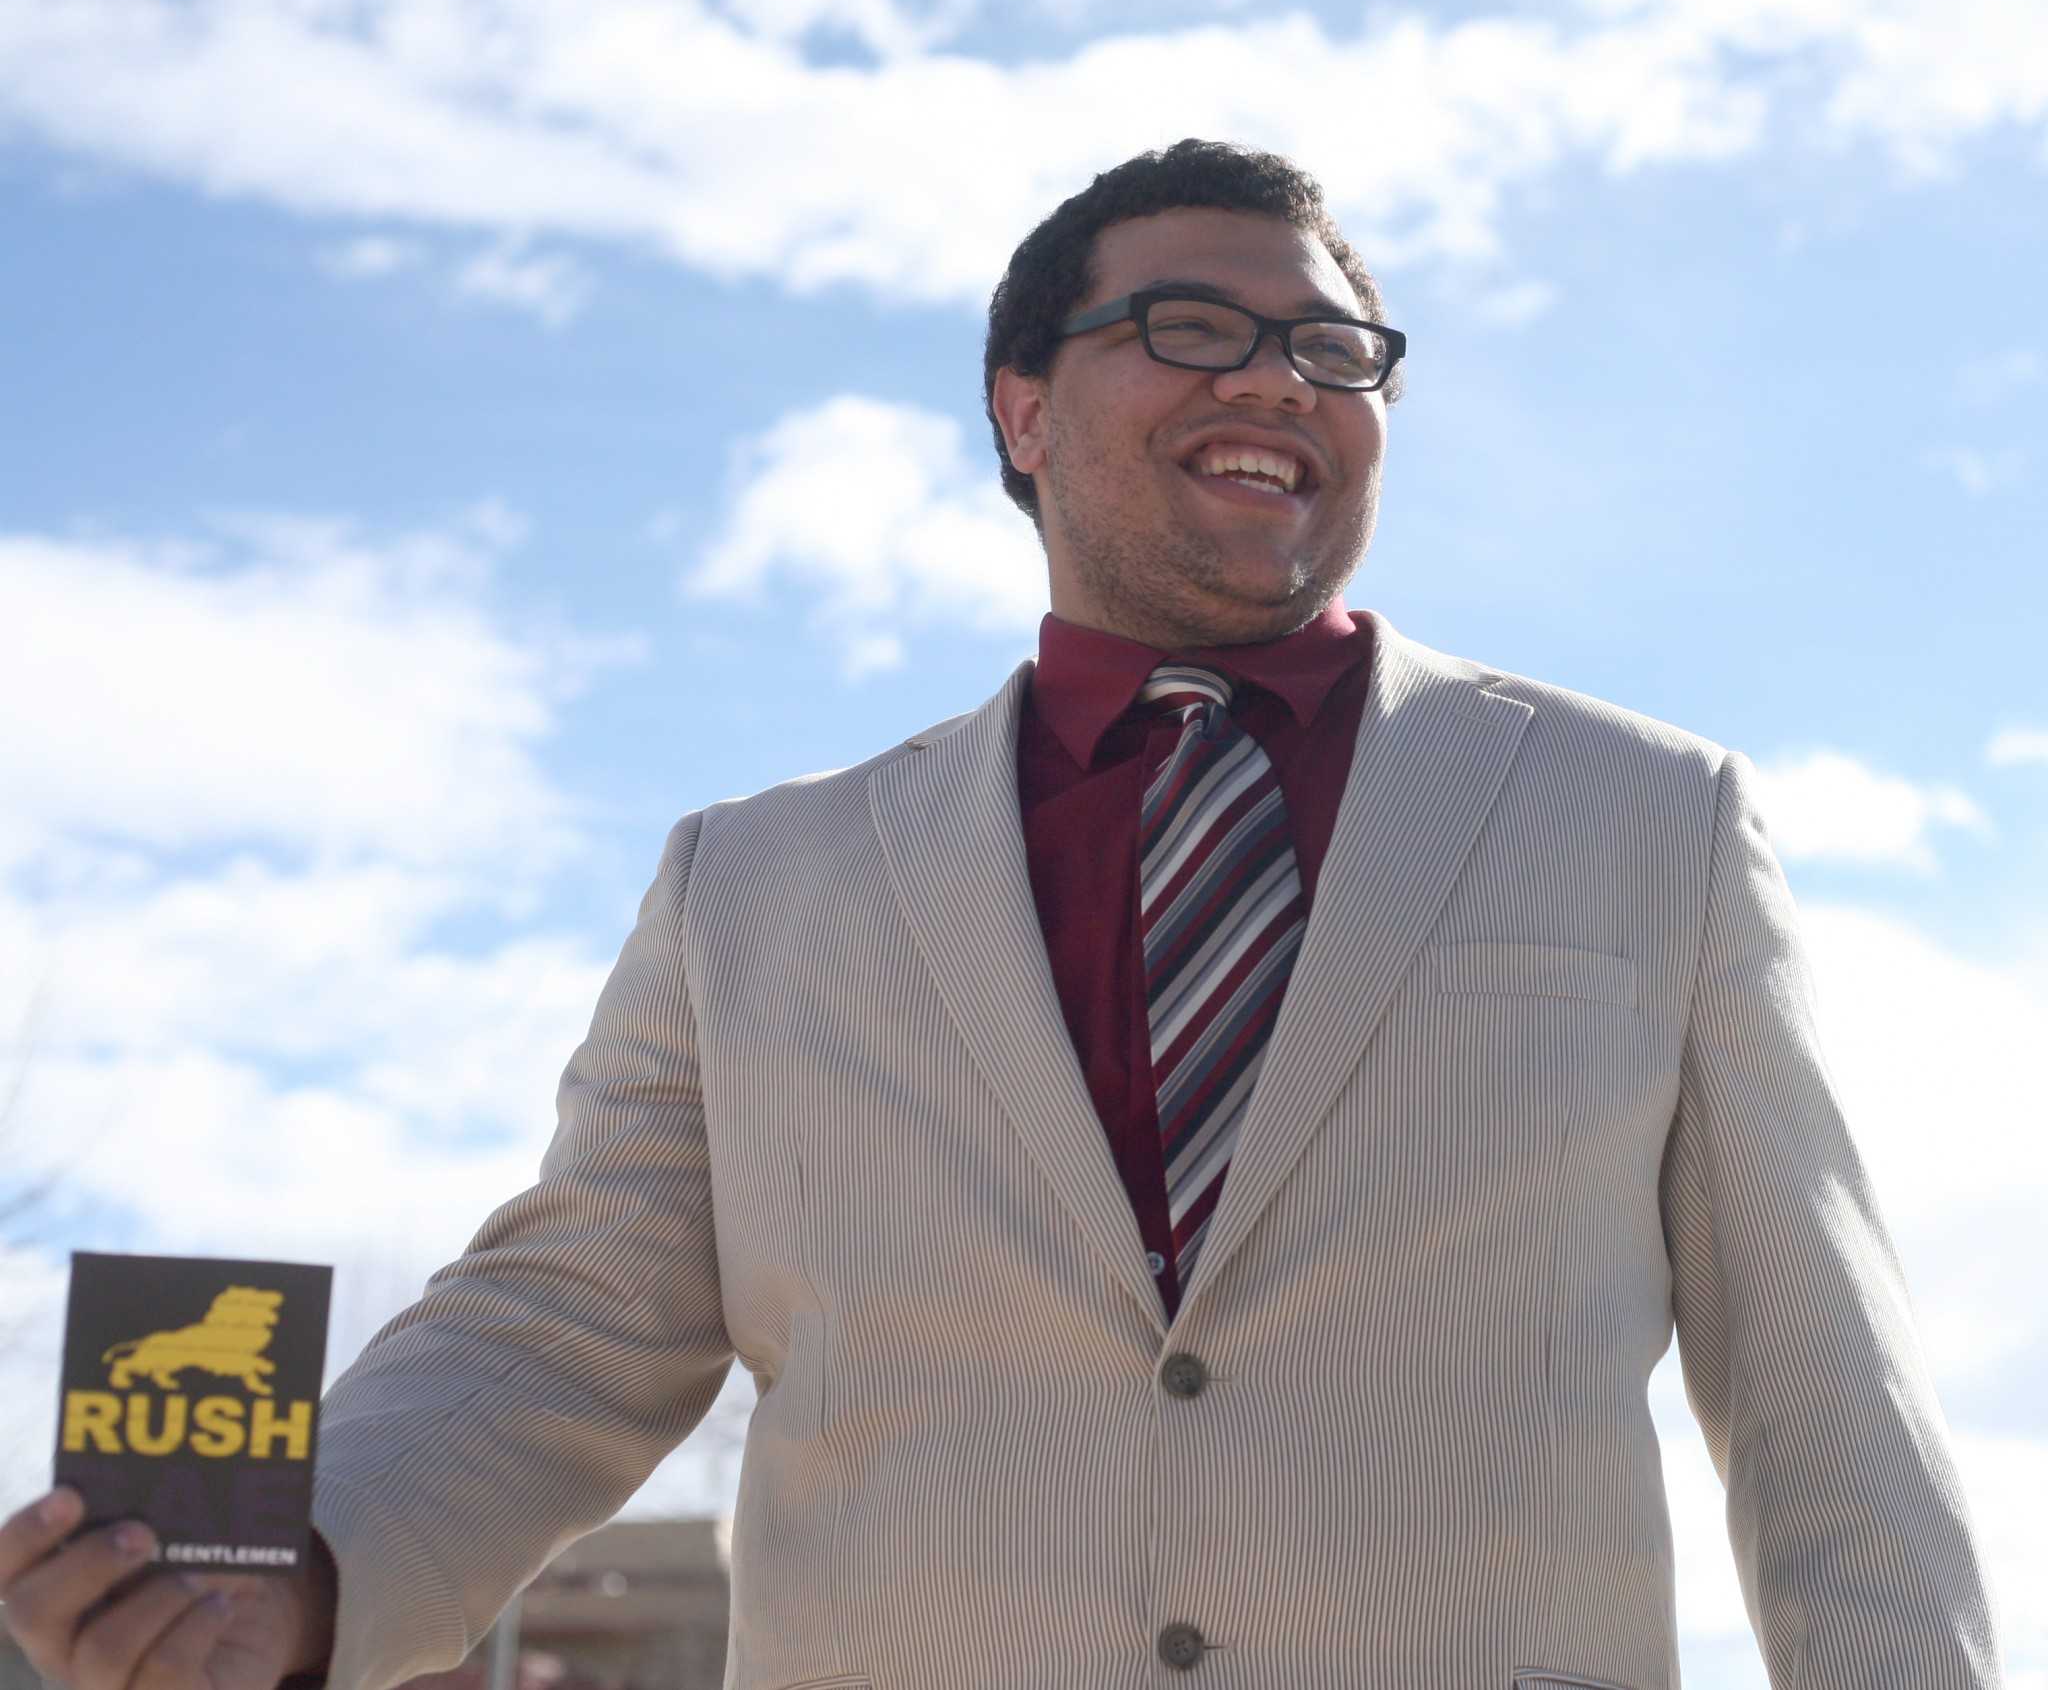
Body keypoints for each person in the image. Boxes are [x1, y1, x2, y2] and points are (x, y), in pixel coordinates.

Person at [1, 139, 2002, 1689]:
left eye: (1331, 347)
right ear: (1021, 407)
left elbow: (1824, 1391)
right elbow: (563, 1329)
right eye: (1196, 327)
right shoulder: (755, 884)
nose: (1280, 379)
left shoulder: (1644, 813)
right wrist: (307, 1577)